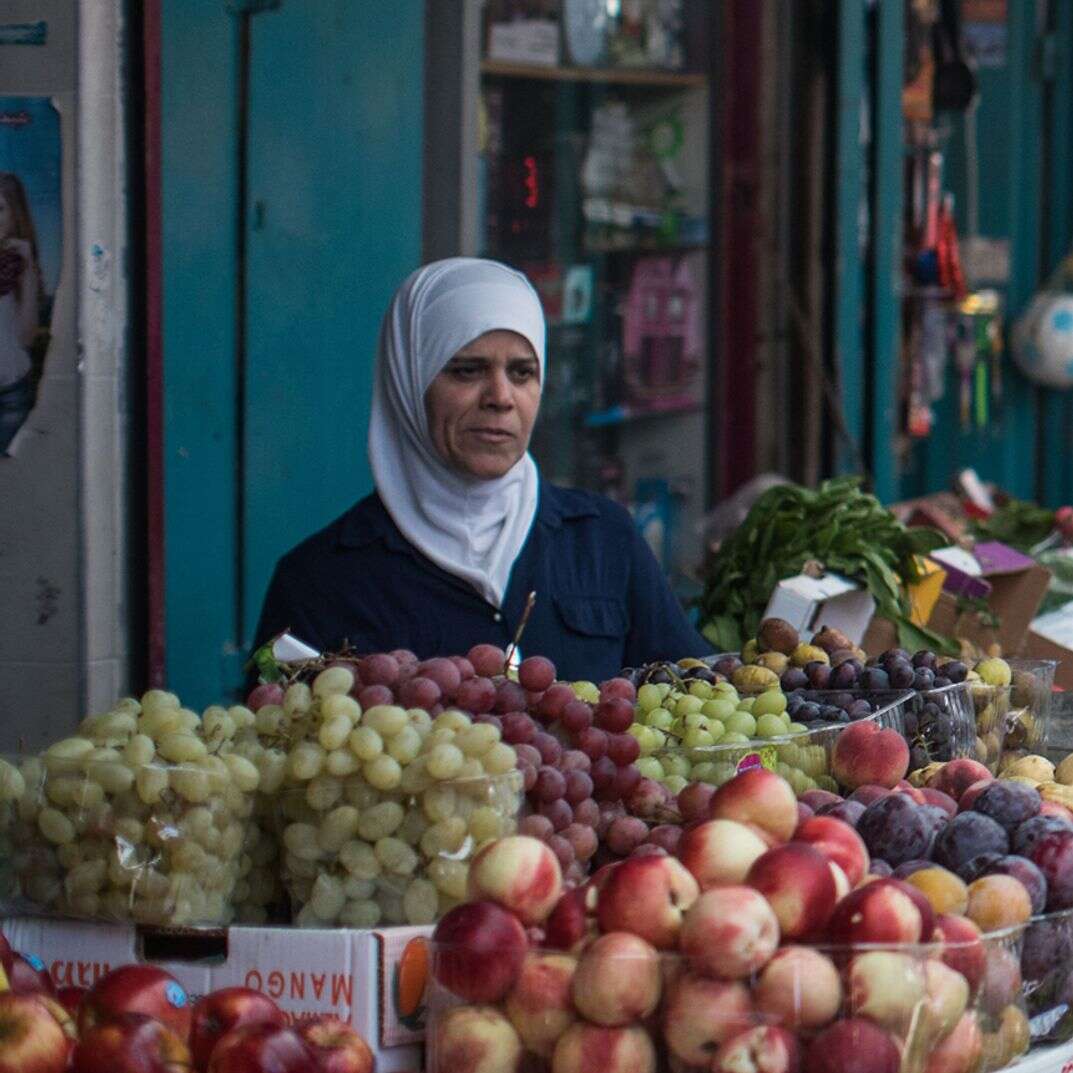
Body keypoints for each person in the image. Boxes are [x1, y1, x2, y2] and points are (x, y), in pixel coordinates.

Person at [253, 257, 712, 681]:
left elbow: (695, 695)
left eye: (522, 373)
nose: (500, 397)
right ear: (409, 385)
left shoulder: (601, 539)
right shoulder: (322, 581)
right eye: (467, 371)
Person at [0, 173, 43, 456]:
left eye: (0, 209)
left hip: (11, 393)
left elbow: (27, 336)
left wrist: (27, 271)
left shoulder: (17, 264)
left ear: (16, 214)